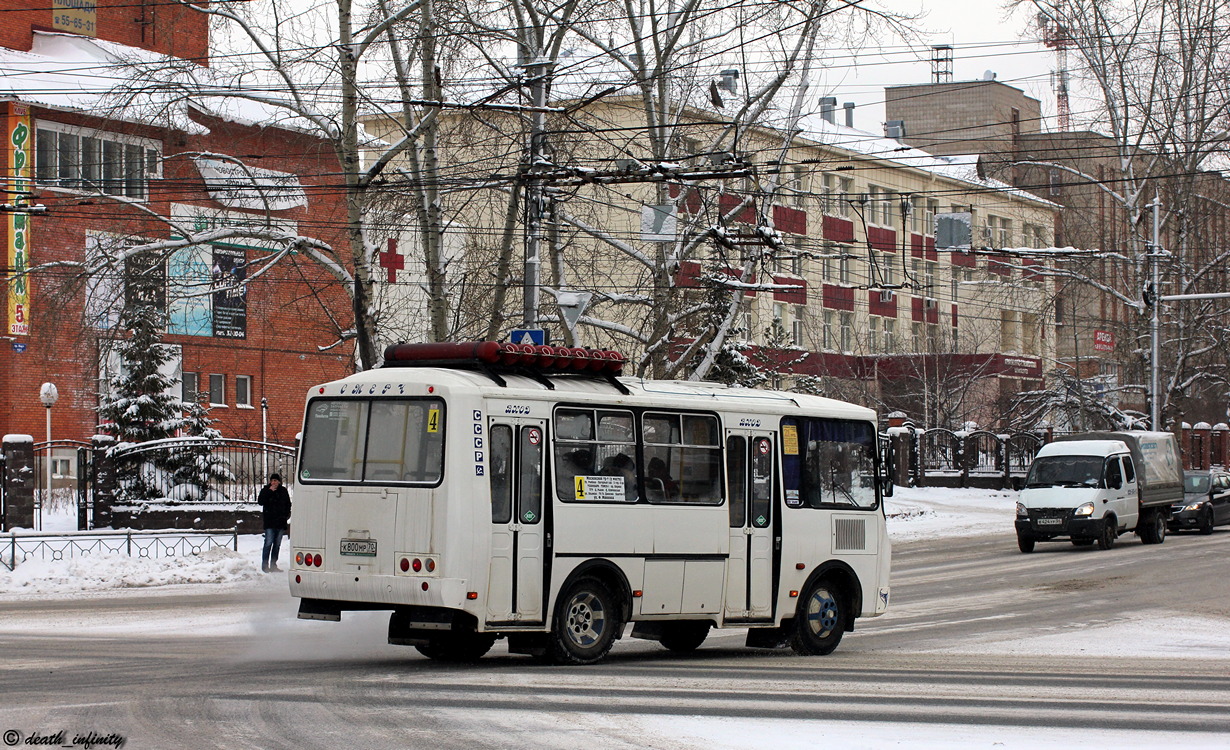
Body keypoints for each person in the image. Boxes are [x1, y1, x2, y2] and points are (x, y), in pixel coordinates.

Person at [257, 473, 292, 573]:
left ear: (279, 481)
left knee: (277, 544)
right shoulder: (266, 490)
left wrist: (285, 515)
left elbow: (288, 504)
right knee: (268, 543)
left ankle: (273, 564)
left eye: (275, 481)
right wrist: (269, 492)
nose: (273, 482)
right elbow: (261, 501)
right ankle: (265, 565)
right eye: (272, 480)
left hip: (280, 522)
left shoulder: (283, 491)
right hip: (270, 522)